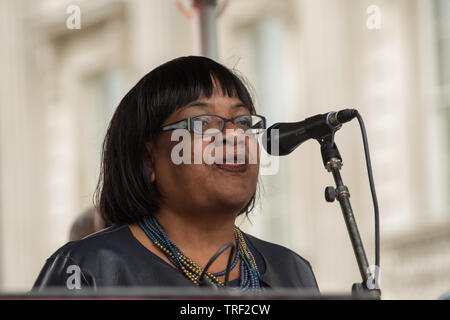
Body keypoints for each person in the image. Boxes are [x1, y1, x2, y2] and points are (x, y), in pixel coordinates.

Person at [32, 56, 319, 293]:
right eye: (204, 122)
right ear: (149, 160)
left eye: (243, 122)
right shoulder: (88, 269)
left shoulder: (292, 271)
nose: (234, 136)